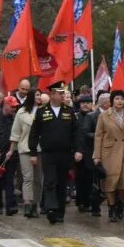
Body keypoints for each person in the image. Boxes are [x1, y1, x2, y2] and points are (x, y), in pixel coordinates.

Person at [28, 83, 82, 224]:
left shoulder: (69, 111)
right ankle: (51, 208)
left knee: (62, 183)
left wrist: (78, 150)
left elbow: (76, 133)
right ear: (52, 94)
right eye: (60, 93)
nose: (63, 95)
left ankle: (60, 212)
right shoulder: (41, 111)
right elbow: (34, 133)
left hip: (65, 153)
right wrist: (33, 152)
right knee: (50, 181)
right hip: (48, 153)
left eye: (63, 93)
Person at [94, 90, 124, 222]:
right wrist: (96, 156)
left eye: (122, 99)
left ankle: (121, 203)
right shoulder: (104, 116)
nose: (119, 101)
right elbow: (98, 136)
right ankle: (111, 207)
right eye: (117, 99)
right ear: (112, 101)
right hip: (109, 152)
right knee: (110, 181)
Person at [10, 92, 47, 218]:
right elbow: (15, 133)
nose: (39, 97)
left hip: (41, 149)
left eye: (40, 95)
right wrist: (11, 150)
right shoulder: (21, 113)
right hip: (25, 148)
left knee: (38, 179)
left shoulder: (44, 112)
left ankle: (35, 205)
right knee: (27, 178)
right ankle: (27, 204)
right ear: (31, 97)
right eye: (37, 95)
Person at [78, 93, 110, 217]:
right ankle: (94, 206)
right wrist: (100, 137)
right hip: (93, 153)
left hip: (108, 153)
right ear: (104, 103)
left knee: (106, 179)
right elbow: (85, 133)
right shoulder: (91, 116)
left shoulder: (113, 115)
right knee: (94, 180)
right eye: (110, 101)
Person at [73, 95, 95, 213]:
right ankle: (81, 202)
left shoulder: (95, 116)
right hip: (79, 152)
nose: (85, 105)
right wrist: (77, 150)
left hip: (92, 152)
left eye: (88, 102)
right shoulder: (75, 117)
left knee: (91, 179)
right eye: (83, 103)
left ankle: (89, 202)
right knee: (80, 179)